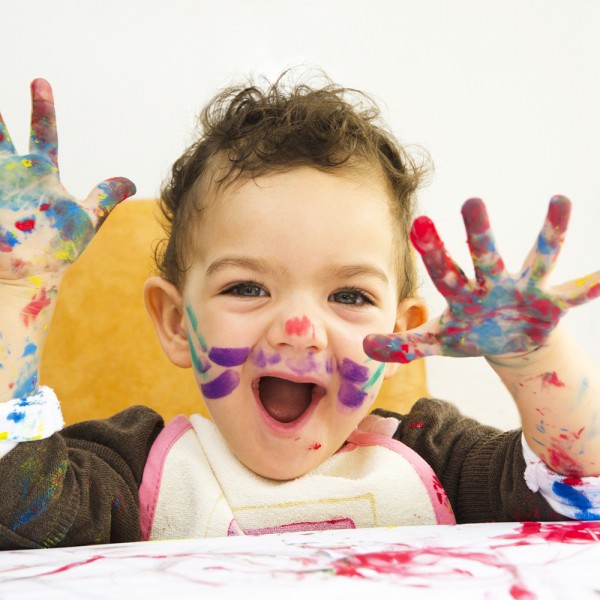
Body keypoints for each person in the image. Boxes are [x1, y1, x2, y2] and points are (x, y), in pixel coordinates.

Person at [1, 75, 599, 550]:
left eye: (349, 296)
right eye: (248, 287)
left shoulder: (434, 457)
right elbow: (18, 505)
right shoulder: (138, 471)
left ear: (402, 335)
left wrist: (533, 359)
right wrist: (16, 290)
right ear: (178, 322)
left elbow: (579, 496)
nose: (298, 329)